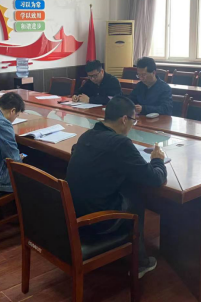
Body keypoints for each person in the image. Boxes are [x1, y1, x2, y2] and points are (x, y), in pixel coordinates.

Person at [65, 95, 167, 279]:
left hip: (74, 213)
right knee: (136, 194)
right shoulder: (120, 143)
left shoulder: (87, 135)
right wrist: (158, 160)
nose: (132, 125)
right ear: (124, 119)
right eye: (133, 121)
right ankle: (140, 262)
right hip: (98, 221)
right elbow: (155, 178)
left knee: (128, 184)